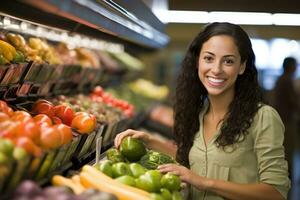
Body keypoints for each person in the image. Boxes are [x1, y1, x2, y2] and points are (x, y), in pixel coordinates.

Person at [115, 22, 290, 200]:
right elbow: (194, 163)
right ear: (198, 61)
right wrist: (149, 141)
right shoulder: (198, 113)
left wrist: (203, 182)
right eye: (209, 58)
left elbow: (276, 193)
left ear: (242, 66)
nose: (216, 69)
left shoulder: (262, 117)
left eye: (228, 61)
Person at [273, 57, 299, 179]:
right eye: (295, 65)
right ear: (290, 66)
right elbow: (293, 101)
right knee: (288, 149)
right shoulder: (287, 80)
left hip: (281, 118)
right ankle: (287, 177)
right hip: (286, 120)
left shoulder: (280, 79)